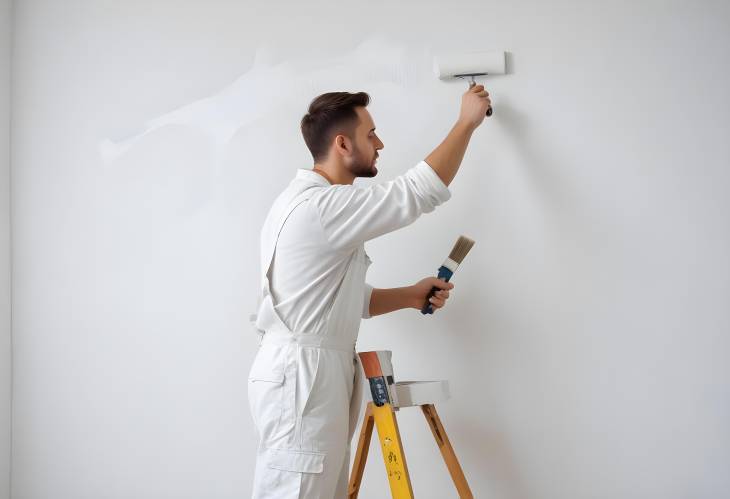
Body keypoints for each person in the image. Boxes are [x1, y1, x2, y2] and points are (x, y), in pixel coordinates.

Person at [248, 83, 491, 498]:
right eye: (371, 134)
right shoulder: (322, 208)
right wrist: (466, 122)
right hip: (304, 375)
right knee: (298, 490)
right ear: (343, 144)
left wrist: (411, 295)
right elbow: (415, 193)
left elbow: (338, 298)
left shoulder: (308, 204)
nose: (380, 144)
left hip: (306, 370)